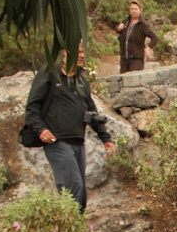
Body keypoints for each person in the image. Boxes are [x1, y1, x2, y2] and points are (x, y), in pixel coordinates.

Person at [24, 43, 114, 213]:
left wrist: (105, 138)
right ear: (65, 52)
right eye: (78, 51)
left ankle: (75, 224)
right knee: (72, 186)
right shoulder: (49, 74)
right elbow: (32, 107)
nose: (82, 55)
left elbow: (91, 110)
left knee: (81, 192)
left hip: (78, 142)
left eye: (83, 52)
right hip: (57, 141)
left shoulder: (81, 81)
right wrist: (40, 129)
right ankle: (70, 225)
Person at [116, 0, 158, 74]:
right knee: (123, 79)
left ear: (140, 10)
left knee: (134, 79)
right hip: (124, 59)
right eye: (132, 9)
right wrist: (119, 28)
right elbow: (118, 31)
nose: (134, 11)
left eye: (136, 9)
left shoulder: (142, 25)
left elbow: (155, 38)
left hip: (136, 60)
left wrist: (148, 48)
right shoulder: (126, 22)